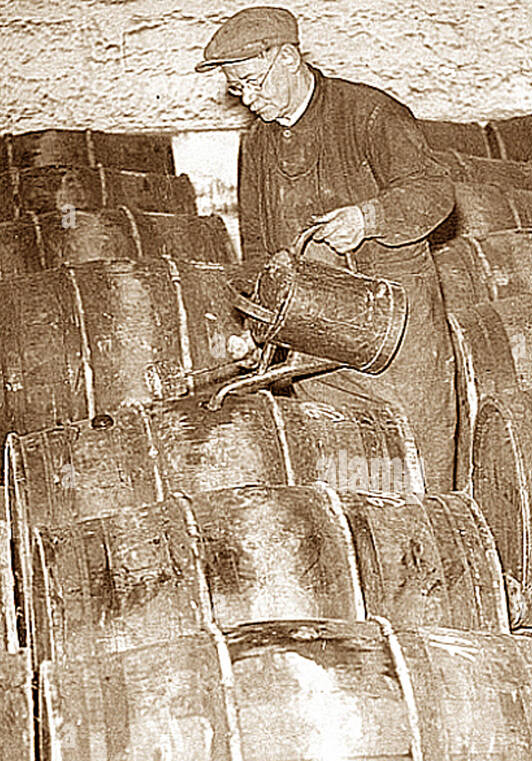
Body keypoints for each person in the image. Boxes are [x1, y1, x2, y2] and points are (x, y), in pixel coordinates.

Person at [198, 6, 458, 490]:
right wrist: (257, 329)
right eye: (238, 89)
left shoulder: (370, 114)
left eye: (255, 82)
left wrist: (368, 217)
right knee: (351, 484)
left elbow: (435, 191)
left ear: (290, 58)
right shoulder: (256, 144)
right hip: (317, 350)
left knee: (418, 481)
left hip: (396, 343)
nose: (250, 100)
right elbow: (258, 249)